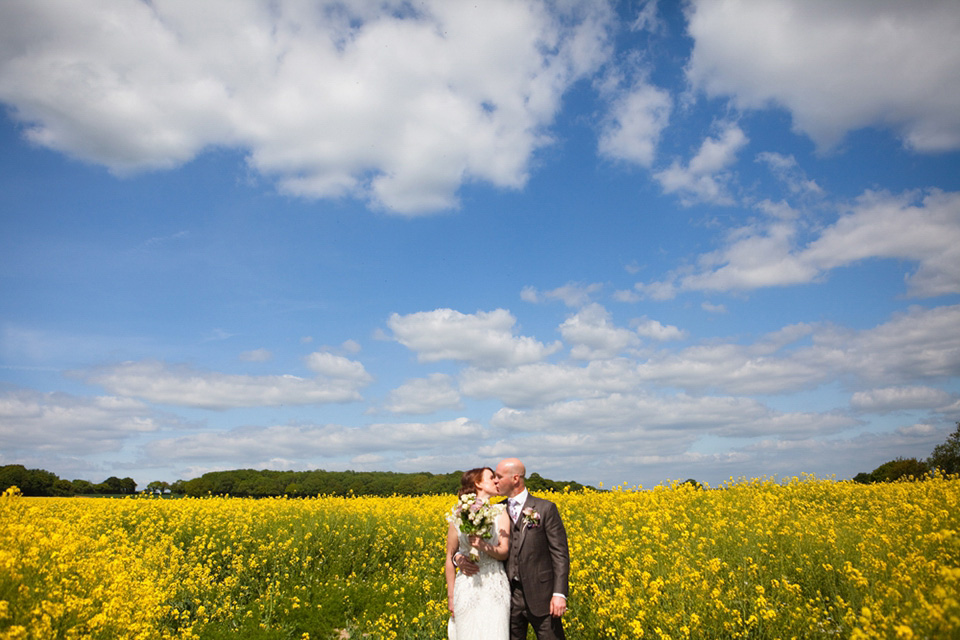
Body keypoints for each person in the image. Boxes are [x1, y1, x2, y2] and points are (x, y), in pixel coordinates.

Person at [496, 458, 570, 640]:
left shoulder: (545, 508)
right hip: (509, 597)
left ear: (515, 479)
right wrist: (458, 557)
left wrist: (559, 594)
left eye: (498, 476)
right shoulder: (496, 510)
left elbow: (560, 554)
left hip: (543, 597)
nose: (495, 481)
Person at [445, 467, 511, 640]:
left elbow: (504, 552)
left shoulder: (501, 512)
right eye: (492, 478)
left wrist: (482, 545)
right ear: (478, 483)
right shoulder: (458, 514)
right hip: (467, 586)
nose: (497, 481)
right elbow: (450, 555)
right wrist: (451, 597)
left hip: (494, 583)